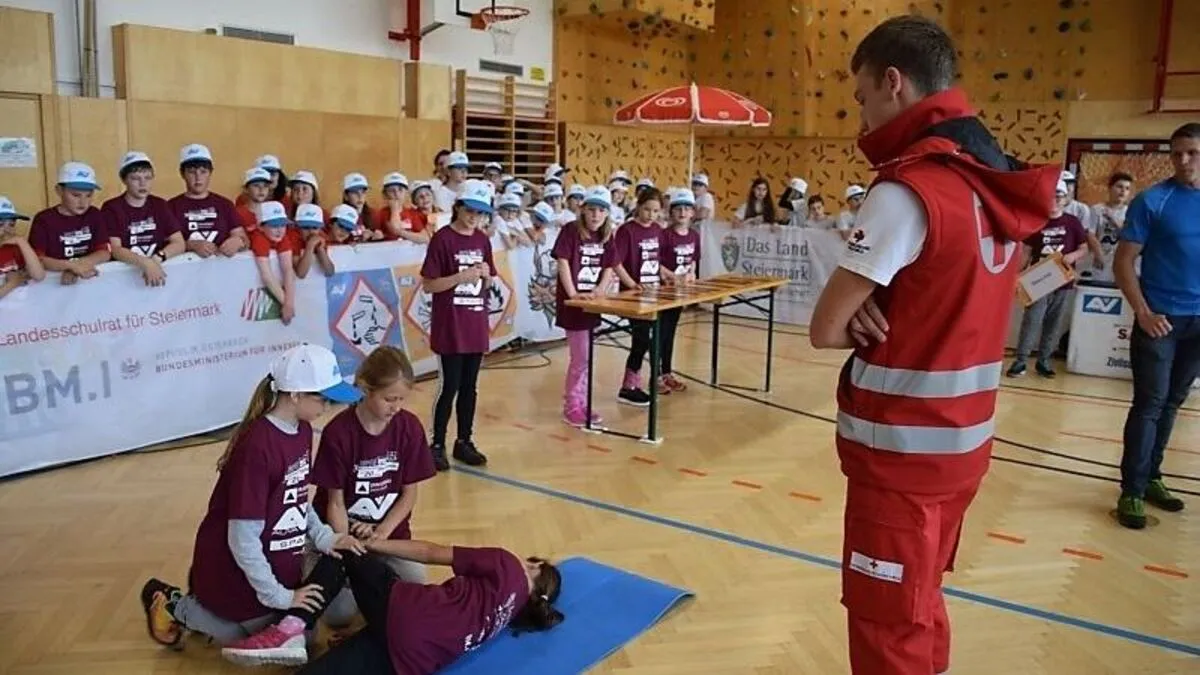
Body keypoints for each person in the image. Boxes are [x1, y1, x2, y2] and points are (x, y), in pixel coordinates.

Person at [808, 15, 1057, 675]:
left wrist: (863, 308)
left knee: (888, 623)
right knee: (921, 602)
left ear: (894, 82)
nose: (859, 116)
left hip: (901, 459)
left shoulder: (907, 189)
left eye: (861, 97)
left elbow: (826, 326)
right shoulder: (993, 180)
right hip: (962, 447)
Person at [139, 344, 365, 662]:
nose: (327, 406)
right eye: (322, 398)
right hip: (235, 570)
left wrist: (326, 536)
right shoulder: (257, 448)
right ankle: (173, 602)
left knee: (308, 636)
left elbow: (297, 497)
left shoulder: (301, 430)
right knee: (235, 636)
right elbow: (242, 539)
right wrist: (279, 596)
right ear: (295, 395)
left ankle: (250, 613)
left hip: (275, 565)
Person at [238, 540, 563, 674]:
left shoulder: (508, 564)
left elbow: (432, 552)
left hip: (404, 614)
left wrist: (371, 545)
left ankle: (292, 628)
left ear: (535, 567)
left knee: (344, 552)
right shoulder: (508, 616)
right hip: (410, 660)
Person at [1113, 122, 1200, 530]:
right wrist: (1143, 313)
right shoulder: (1153, 201)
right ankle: (1131, 489)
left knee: (1173, 402)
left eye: (1192, 153)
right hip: (1160, 320)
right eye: (1177, 153)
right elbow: (1124, 261)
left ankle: (1152, 478)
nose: (1183, 161)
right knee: (1149, 404)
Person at [310, 346, 437, 626]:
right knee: (339, 616)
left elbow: (409, 493)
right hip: (345, 531)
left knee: (414, 586)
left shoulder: (409, 427)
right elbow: (335, 502)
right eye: (389, 399)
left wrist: (382, 533)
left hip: (387, 532)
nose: (396, 407)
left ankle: (371, 580)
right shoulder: (339, 433)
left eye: (401, 400)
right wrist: (347, 543)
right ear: (366, 388)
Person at [420, 179, 496, 470]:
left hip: (475, 323)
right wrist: (459, 278)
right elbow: (429, 285)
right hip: (450, 326)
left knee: (470, 387)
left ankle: (464, 440)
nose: (475, 217)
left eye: (480, 213)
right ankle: (436, 442)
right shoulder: (442, 239)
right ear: (458, 208)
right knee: (449, 385)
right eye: (470, 210)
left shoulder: (482, 240)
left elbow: (489, 282)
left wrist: (487, 276)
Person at [1007, 180, 1093, 379]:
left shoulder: (1072, 222)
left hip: (1063, 281)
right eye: (1050, 196)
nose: (1054, 201)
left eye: (1059, 196)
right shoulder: (1036, 221)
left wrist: (1072, 257)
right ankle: (1020, 360)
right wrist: (1016, 276)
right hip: (1038, 281)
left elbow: (1084, 247)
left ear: (1065, 199)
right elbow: (1027, 252)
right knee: (1032, 321)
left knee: (1053, 322)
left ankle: (1044, 360)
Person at [554, 186, 618, 428]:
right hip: (574, 304)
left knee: (586, 357)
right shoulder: (570, 231)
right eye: (591, 209)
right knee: (580, 357)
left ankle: (580, 401)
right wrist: (572, 294)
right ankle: (572, 405)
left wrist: (601, 289)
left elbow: (609, 266)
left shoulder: (606, 234)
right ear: (583, 210)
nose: (596, 215)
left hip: (593, 303)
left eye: (601, 210)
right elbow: (563, 263)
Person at [613, 188, 665, 406]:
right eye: (647, 210)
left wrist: (669, 276)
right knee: (641, 339)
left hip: (654, 293)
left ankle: (652, 379)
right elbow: (616, 263)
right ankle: (628, 386)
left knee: (652, 340)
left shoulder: (657, 230)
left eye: (655, 211)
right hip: (633, 295)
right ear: (638, 206)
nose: (651, 215)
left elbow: (656, 261)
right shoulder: (627, 231)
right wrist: (632, 285)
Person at [103, 151, 186, 287]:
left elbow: (179, 243)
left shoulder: (160, 205)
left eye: (147, 178)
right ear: (124, 180)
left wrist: (157, 258)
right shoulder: (112, 208)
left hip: (157, 271)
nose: (142, 184)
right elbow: (115, 249)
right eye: (135, 178)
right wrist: (145, 263)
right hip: (123, 278)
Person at [28, 162, 111, 286]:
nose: (83, 202)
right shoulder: (44, 219)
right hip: (51, 287)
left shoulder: (94, 214)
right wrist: (69, 266)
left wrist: (76, 267)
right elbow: (37, 259)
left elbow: (104, 252)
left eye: (89, 195)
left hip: (90, 283)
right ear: (59, 190)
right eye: (75, 195)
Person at [168, 143, 246, 258]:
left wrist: (239, 241)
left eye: (203, 171)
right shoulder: (170, 207)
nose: (198, 177)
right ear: (182, 174)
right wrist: (191, 245)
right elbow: (163, 244)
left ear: (210, 173)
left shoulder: (225, 204)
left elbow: (243, 239)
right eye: (191, 172)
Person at [657, 188, 701, 394]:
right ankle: (656, 375)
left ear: (692, 212)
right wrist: (674, 277)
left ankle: (667, 372)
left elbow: (693, 260)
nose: (682, 213)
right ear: (671, 212)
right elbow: (654, 262)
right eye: (678, 209)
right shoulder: (664, 235)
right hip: (664, 292)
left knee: (671, 332)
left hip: (680, 293)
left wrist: (691, 273)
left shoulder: (694, 235)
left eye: (686, 209)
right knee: (661, 333)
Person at [247, 201, 302, 325]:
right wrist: (287, 304)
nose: (280, 230)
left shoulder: (283, 237)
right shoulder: (259, 238)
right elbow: (266, 275)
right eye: (274, 225)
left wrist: (289, 303)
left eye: (283, 225)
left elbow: (288, 269)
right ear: (261, 227)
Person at [1086, 171, 1134, 283]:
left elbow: (1127, 234)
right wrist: (1098, 253)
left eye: (1127, 188)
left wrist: (1112, 218)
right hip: (1102, 255)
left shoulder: (1130, 212)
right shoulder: (1097, 209)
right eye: (1119, 187)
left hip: (1121, 258)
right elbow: (1090, 233)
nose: (1123, 191)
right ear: (1110, 188)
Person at [0, 196, 46, 300]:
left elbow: (38, 276)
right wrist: (13, 283)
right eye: (0, 224)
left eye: (12, 224)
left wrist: (22, 242)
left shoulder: (16, 247)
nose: (7, 230)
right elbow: (14, 282)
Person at [293, 204, 335, 278]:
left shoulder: (321, 236)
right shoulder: (293, 236)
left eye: (315, 227)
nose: (311, 231)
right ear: (297, 227)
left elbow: (330, 272)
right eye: (306, 227)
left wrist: (321, 250)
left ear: (320, 228)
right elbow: (300, 274)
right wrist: (310, 246)